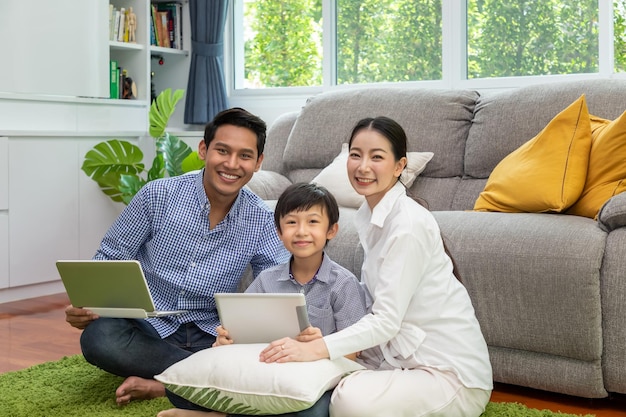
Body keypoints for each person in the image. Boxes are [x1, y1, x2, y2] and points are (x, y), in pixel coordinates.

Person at [259, 116, 494, 417]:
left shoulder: (407, 225)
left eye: (377, 157)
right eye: (355, 155)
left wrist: (317, 348)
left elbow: (386, 321)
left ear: (399, 167)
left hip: (447, 375)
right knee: (302, 371)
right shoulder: (369, 217)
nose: (363, 166)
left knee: (346, 401)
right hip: (393, 357)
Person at [64, 107, 290, 406]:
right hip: (146, 325)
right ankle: (202, 376)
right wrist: (88, 305)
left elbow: (274, 286)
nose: (232, 164)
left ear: (258, 162)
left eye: (245, 156)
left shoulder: (262, 220)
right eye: (222, 151)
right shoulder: (157, 195)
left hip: (211, 332)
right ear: (203, 149)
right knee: (99, 339)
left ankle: (164, 383)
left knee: (262, 347)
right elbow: (111, 255)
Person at [157, 182, 370, 417]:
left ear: (331, 230)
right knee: (177, 393)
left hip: (314, 379)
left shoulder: (344, 284)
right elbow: (240, 333)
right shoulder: (266, 280)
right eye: (291, 222)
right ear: (279, 232)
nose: (301, 231)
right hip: (267, 373)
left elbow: (353, 353)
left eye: (312, 222)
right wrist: (226, 341)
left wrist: (320, 346)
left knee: (313, 413)